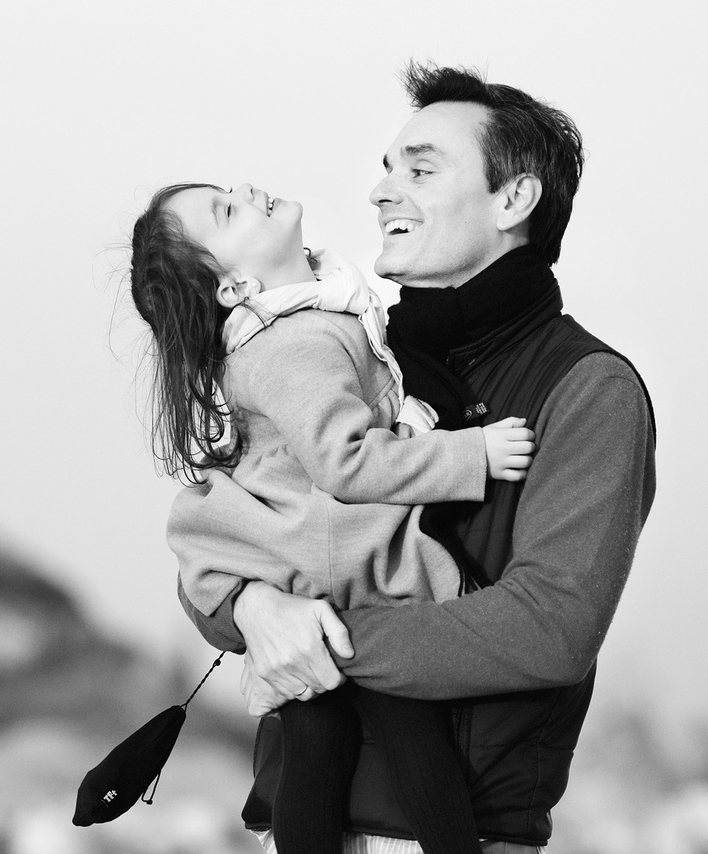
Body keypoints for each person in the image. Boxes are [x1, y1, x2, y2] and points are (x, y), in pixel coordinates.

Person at [177, 64, 657, 853]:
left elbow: (550, 629)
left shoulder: (589, 388)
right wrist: (254, 611)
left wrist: (320, 636)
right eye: (387, 169)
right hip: (291, 826)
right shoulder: (334, 358)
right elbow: (229, 543)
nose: (381, 191)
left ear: (513, 200)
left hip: (450, 835)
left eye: (420, 169)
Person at [130, 181, 533, 854]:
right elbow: (344, 460)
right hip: (344, 573)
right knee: (410, 736)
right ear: (234, 287)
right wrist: (472, 455)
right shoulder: (293, 344)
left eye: (229, 190)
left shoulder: (311, 316)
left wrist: (402, 419)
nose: (246, 191)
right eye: (226, 212)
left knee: (320, 739)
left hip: (312, 575)